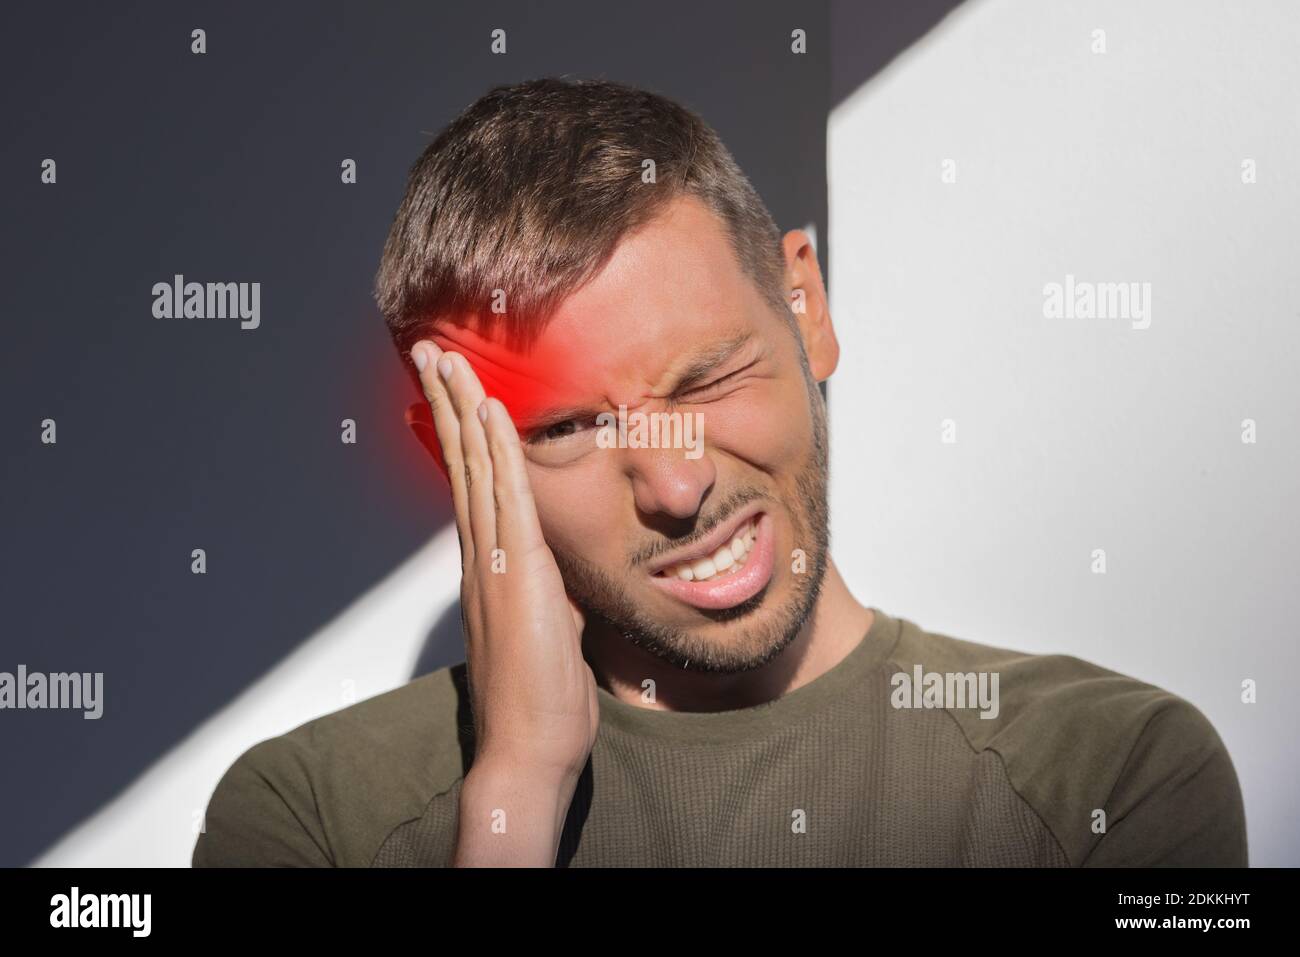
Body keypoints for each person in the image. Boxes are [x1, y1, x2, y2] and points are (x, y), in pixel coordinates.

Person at [193, 77, 1247, 867]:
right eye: (567, 427)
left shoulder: (1113, 772)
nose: (676, 486)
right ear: (459, 461)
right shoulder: (312, 817)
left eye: (705, 380)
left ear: (807, 307)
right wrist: (516, 791)